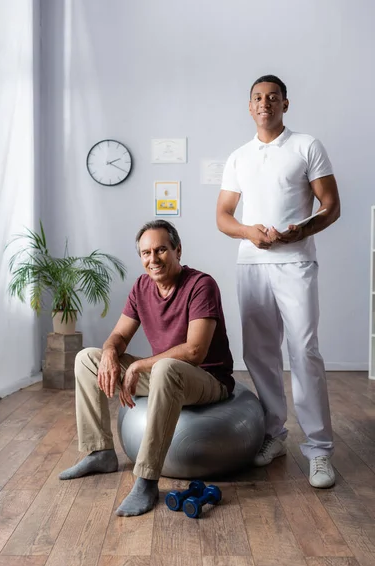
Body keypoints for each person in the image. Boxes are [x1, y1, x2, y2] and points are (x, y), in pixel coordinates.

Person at [59, 219, 234, 515]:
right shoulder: (142, 287)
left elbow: (194, 350)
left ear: (178, 250)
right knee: (87, 358)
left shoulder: (201, 285)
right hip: (166, 374)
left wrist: (139, 365)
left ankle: (146, 479)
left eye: (161, 250)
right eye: (146, 253)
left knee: (165, 367)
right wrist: (111, 353)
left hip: (207, 378)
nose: (153, 259)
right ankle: (99, 451)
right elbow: (119, 335)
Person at [216, 74, 340, 488]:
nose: (264, 103)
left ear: (285, 104)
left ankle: (320, 449)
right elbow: (224, 217)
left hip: (296, 262)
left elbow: (331, 206)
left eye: (272, 97)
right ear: (248, 106)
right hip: (251, 265)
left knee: (304, 350)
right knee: (260, 354)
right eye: (257, 97)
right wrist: (249, 232)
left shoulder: (307, 146)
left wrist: (300, 232)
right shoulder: (238, 157)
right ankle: (274, 435)